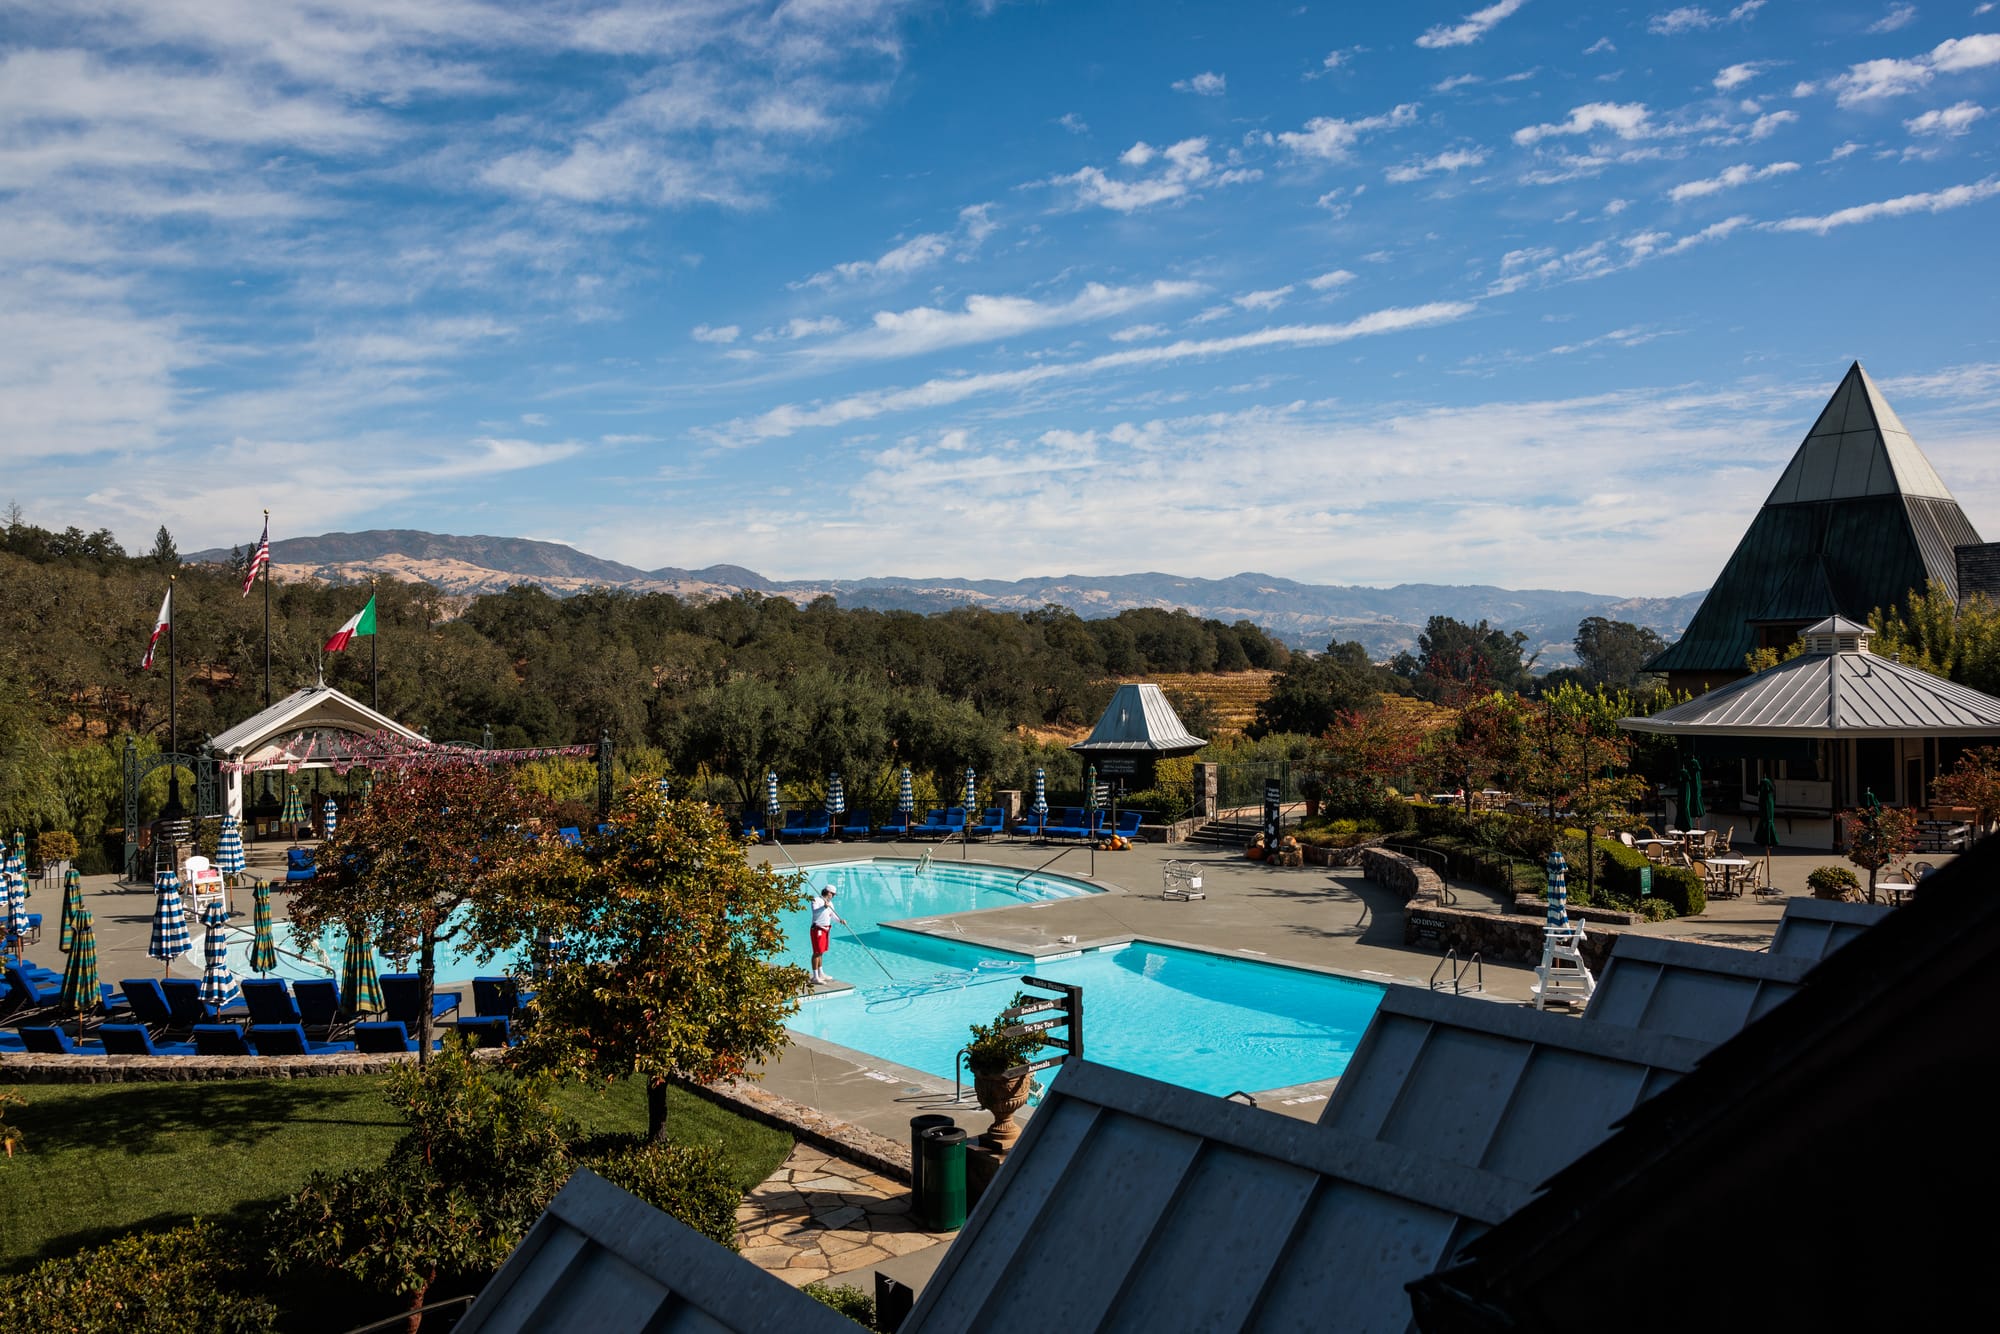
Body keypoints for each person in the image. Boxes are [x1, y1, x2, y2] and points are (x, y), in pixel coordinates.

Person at [810, 887, 846, 985]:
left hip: (826, 929)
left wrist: (840, 920)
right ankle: (815, 977)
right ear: (828, 892)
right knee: (817, 952)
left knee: (821, 952)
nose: (833, 896)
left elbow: (833, 915)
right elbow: (815, 912)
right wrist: (824, 907)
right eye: (833, 894)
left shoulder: (830, 903)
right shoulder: (816, 900)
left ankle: (821, 973)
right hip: (817, 929)